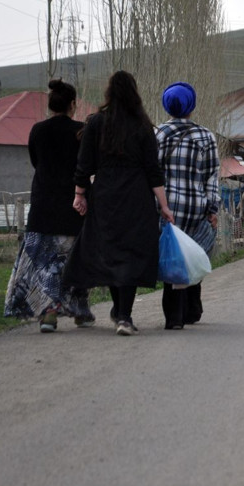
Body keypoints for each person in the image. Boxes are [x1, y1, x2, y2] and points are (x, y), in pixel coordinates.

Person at [64, 71, 174, 336]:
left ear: (109, 93)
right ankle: (123, 315)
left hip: (105, 195)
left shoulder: (96, 123)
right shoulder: (142, 125)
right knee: (132, 254)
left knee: (111, 252)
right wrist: (164, 205)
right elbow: (153, 170)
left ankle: (119, 311)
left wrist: (80, 194)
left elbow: (84, 164)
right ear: (134, 93)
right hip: (137, 197)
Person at [4, 79, 95, 333]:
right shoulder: (81, 131)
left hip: (43, 204)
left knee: (44, 263)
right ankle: (81, 312)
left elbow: (36, 161)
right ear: (73, 104)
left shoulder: (37, 130)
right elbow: (86, 166)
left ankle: (48, 315)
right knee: (75, 259)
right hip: (74, 206)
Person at [156, 82, 219, 330]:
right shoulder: (206, 136)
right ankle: (191, 309)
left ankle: (174, 316)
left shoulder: (158, 135)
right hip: (196, 208)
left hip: (167, 209)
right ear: (191, 105)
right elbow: (212, 177)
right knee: (193, 254)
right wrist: (212, 209)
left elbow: (153, 175)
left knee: (173, 258)